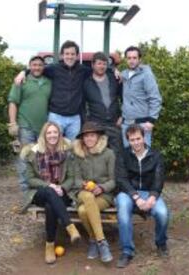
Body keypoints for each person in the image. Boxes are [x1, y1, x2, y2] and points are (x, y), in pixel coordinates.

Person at [20, 121, 81, 264]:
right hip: (40, 191)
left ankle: (49, 245)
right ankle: (70, 227)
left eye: (55, 132)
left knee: (50, 206)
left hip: (61, 192)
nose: (52, 135)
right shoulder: (34, 153)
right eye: (49, 133)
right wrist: (50, 185)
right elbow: (30, 179)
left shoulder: (66, 152)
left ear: (59, 135)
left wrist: (63, 188)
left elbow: (72, 177)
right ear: (44, 135)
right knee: (48, 192)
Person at [115, 124, 169, 268]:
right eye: (132, 140)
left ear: (143, 138)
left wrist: (152, 197)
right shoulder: (123, 155)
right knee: (123, 211)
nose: (136, 142)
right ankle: (127, 251)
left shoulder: (155, 155)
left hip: (149, 192)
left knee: (162, 213)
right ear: (128, 141)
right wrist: (136, 197)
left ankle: (161, 244)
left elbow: (159, 180)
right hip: (128, 193)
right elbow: (121, 179)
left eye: (138, 138)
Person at [15, 40, 91, 140]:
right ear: (62, 55)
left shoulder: (83, 70)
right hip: (56, 116)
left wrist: (114, 70)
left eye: (72, 54)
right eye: (67, 54)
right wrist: (23, 72)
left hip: (74, 118)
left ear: (77, 56)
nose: (70, 56)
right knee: (54, 146)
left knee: (72, 149)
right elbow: (37, 69)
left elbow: (99, 69)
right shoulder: (54, 69)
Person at [72, 121, 116, 263]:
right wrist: (84, 184)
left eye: (92, 135)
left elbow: (114, 180)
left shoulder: (109, 154)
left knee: (84, 211)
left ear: (98, 137)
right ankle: (102, 242)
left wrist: (102, 188)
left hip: (103, 195)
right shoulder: (79, 155)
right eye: (86, 136)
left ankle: (93, 240)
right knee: (87, 196)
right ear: (82, 138)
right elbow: (76, 180)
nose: (89, 139)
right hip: (83, 193)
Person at [7, 56, 52, 191]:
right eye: (34, 65)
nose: (37, 67)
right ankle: (25, 190)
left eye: (40, 65)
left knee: (41, 159)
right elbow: (13, 102)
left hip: (43, 128)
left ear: (43, 67)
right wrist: (12, 123)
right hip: (25, 126)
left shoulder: (49, 82)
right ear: (29, 66)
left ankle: (38, 189)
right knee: (25, 157)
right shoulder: (21, 81)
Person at [120, 46, 162, 147]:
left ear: (139, 59)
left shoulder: (146, 74)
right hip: (126, 124)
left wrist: (151, 120)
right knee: (129, 156)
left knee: (144, 157)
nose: (131, 61)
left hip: (142, 124)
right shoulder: (123, 75)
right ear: (126, 59)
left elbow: (155, 98)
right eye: (129, 58)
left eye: (134, 58)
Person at [83, 52, 123, 156]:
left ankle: (115, 173)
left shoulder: (115, 78)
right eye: (99, 63)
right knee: (97, 155)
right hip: (96, 125)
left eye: (104, 64)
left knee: (117, 155)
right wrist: (87, 123)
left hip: (115, 124)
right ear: (93, 65)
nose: (102, 66)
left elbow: (125, 98)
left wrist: (123, 116)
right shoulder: (86, 82)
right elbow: (81, 104)